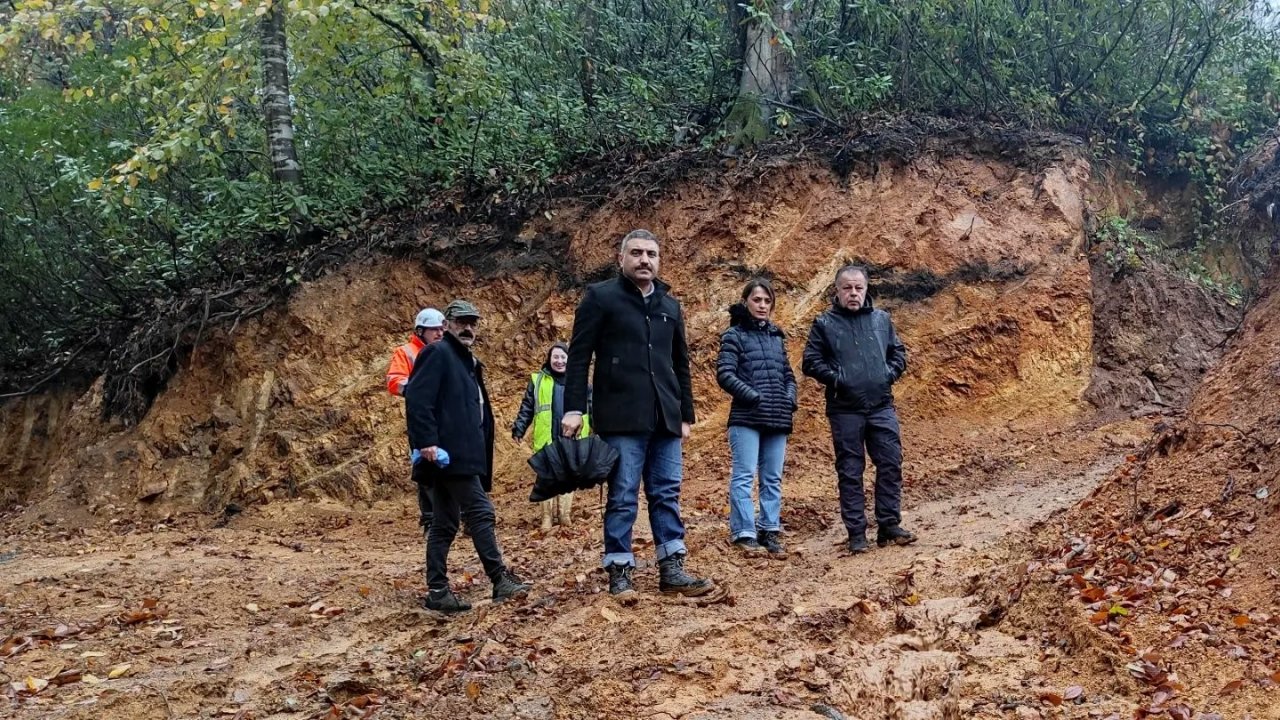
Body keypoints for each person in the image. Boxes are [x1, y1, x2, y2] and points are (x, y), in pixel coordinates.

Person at [562, 228, 714, 600]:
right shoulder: (600, 299)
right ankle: (619, 571)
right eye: (637, 253)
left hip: (665, 416)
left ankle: (672, 568)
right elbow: (579, 357)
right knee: (624, 495)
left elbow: (680, 365)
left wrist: (686, 415)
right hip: (621, 418)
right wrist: (574, 409)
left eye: (651, 254)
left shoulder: (670, 306)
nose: (645, 260)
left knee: (666, 493)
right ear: (622, 259)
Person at [405, 299, 531, 613]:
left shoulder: (467, 361)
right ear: (446, 324)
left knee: (445, 522)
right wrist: (427, 442)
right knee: (480, 511)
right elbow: (418, 400)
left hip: (461, 454)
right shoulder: (437, 353)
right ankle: (500, 578)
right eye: (462, 321)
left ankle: (437, 591)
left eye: (473, 322)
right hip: (448, 454)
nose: (469, 327)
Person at [801, 265, 917, 554]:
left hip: (881, 405)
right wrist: (839, 378)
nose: (853, 293)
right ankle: (856, 533)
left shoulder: (882, 320)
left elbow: (898, 353)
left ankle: (889, 525)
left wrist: (887, 374)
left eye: (858, 288)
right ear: (837, 291)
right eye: (847, 288)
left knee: (890, 463)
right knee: (851, 471)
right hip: (845, 410)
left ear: (866, 290)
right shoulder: (824, 323)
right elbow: (810, 361)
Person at [716, 278, 796, 557]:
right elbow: (725, 374)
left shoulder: (776, 336)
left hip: (778, 416)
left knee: (772, 477)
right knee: (744, 476)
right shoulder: (734, 335)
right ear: (746, 302)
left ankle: (770, 530)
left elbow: (788, 374)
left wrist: (790, 398)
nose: (762, 305)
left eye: (767, 301)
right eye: (757, 300)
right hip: (746, 418)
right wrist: (753, 397)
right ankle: (744, 533)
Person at [511, 342, 592, 530]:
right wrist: (519, 428)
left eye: (563, 357)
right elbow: (527, 407)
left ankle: (564, 516)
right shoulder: (537, 380)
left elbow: (591, 407)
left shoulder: (580, 382)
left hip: (573, 436)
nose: (559, 361)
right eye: (555, 357)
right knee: (547, 477)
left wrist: (601, 430)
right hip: (546, 436)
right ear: (549, 359)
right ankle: (546, 518)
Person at [386, 308, 445, 533]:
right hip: (422, 418)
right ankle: (430, 519)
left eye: (441, 329)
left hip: (446, 417)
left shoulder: (445, 350)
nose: (439, 333)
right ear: (421, 331)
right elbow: (394, 381)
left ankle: (460, 516)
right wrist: (421, 391)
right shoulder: (407, 352)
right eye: (434, 330)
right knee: (426, 468)